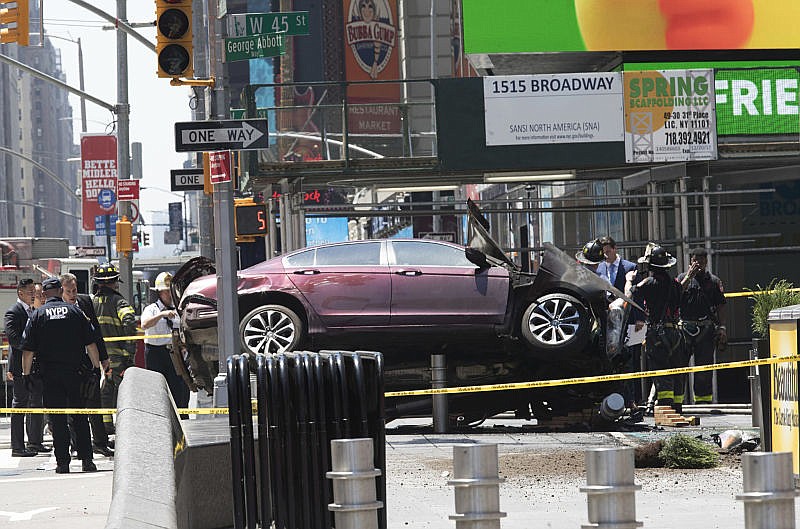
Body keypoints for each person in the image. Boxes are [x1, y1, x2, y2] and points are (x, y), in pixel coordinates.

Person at [21, 277, 102, 473]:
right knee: (80, 417)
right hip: (76, 373)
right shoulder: (75, 312)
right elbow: (91, 344)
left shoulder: (37, 315)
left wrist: (27, 375)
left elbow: (28, 351)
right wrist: (96, 369)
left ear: (45, 294)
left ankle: (63, 462)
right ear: (59, 291)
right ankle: (87, 460)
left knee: (57, 419)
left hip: (50, 376)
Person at [626, 243, 687, 412]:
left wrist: (629, 280)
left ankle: (666, 407)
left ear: (651, 265)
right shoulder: (675, 284)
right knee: (676, 370)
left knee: (661, 369)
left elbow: (630, 294)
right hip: (675, 332)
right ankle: (677, 407)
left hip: (657, 334)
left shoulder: (648, 282)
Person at [60, 273, 114, 457]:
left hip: (89, 360)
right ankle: (76, 444)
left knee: (94, 401)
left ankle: (100, 442)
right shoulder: (58, 307)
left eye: (74, 290)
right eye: (68, 292)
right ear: (61, 291)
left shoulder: (84, 302)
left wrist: (104, 358)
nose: (72, 294)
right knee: (73, 406)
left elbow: (96, 331)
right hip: (69, 363)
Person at [597, 236, 644, 408]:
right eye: (603, 252)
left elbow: (637, 294)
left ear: (615, 249)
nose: (606, 255)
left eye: (608, 251)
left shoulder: (629, 267)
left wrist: (640, 318)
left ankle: (634, 399)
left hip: (629, 319)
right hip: (608, 320)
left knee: (632, 358)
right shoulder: (599, 268)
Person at [4, 278, 49, 457]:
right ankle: (17, 446)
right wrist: (33, 346)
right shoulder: (13, 313)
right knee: (20, 406)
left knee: (36, 403)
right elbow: (14, 340)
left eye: (34, 291)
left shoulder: (33, 311)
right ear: (20, 293)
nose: (33, 294)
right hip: (20, 368)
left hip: (35, 366)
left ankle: (35, 442)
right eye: (30, 291)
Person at [678, 248, 727, 405]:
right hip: (684, 329)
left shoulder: (713, 281)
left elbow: (720, 306)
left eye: (701, 261)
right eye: (695, 261)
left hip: (706, 329)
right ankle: (677, 402)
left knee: (704, 370)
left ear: (706, 262)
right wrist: (688, 277)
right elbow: (675, 296)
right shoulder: (681, 279)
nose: (698, 264)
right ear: (690, 261)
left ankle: (703, 403)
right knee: (679, 367)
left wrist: (722, 328)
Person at [92, 264, 137, 435]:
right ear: (115, 282)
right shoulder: (119, 301)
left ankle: (106, 425)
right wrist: (129, 352)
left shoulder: (92, 302)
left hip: (97, 356)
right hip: (118, 356)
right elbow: (130, 322)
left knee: (105, 392)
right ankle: (123, 426)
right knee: (121, 391)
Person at [141, 272, 189, 408]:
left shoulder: (178, 310)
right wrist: (162, 314)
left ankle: (182, 417)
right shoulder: (151, 309)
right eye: (166, 292)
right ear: (159, 293)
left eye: (171, 291)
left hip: (175, 353)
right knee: (158, 389)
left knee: (179, 388)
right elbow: (144, 324)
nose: (170, 295)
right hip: (155, 353)